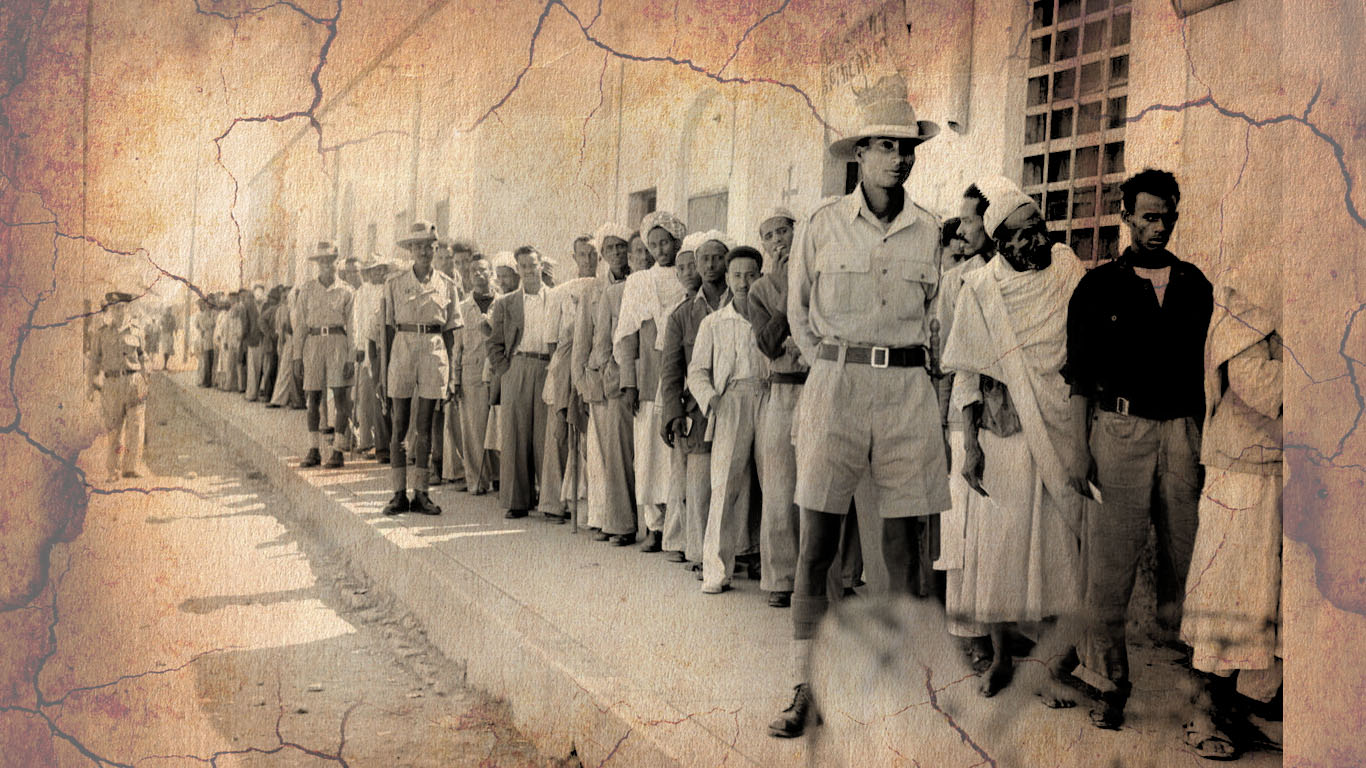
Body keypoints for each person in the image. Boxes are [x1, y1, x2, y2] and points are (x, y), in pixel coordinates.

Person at [773, 74, 948, 738]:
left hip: (906, 392)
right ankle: (802, 687)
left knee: (901, 551)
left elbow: (935, 318)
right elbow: (799, 316)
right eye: (883, 145)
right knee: (818, 542)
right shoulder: (821, 226)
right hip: (838, 385)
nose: (898, 158)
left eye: (906, 147)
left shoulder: (928, 231)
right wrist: (839, 366)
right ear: (858, 154)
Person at [1063, 168, 1213, 730]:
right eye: (1148, 216)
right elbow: (1079, 377)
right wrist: (1079, 451)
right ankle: (1108, 682)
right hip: (1118, 431)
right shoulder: (1097, 286)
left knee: (1190, 558)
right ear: (1126, 217)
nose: (1158, 227)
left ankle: (1200, 692)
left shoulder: (1196, 285)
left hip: (1181, 433)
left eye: (1167, 216)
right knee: (1109, 565)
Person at [941, 178, 1087, 697]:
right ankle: (1001, 658)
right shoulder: (980, 288)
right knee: (1000, 549)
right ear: (999, 240)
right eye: (1021, 236)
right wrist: (971, 444)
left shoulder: (1067, 271)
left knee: (1057, 546)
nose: (1035, 243)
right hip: (1001, 431)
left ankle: (1056, 660)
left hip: (1057, 426)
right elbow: (966, 373)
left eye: (1039, 231)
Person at [1178, 270, 1282, 760]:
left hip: (1294, 466)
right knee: (1230, 586)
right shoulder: (1250, 293)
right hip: (1242, 467)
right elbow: (1255, 383)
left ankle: (1252, 708)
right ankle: (1206, 710)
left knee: (1276, 596)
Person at [747, 206, 865, 609]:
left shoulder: (823, 276)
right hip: (783, 391)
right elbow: (767, 343)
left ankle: (842, 575)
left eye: (784, 231)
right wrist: (786, 294)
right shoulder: (758, 290)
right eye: (770, 235)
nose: (778, 240)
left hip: (823, 386)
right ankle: (781, 578)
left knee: (831, 485)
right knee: (780, 487)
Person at [934, 184, 999, 670]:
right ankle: (969, 633)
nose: (962, 230)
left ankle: (1000, 627)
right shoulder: (958, 281)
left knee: (997, 525)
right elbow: (948, 362)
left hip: (1011, 418)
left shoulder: (1012, 276)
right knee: (963, 523)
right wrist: (946, 422)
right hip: (964, 413)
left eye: (971, 221)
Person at [687, 245, 768, 594]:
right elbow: (697, 371)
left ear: (759, 277)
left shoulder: (772, 316)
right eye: (736, 275)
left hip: (768, 397)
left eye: (750, 275)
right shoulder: (713, 323)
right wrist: (713, 401)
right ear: (728, 277)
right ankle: (716, 570)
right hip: (730, 401)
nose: (743, 282)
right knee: (723, 486)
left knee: (776, 485)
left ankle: (778, 573)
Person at [615, 210, 688, 552]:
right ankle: (654, 527)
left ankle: (678, 527)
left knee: (675, 450)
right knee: (647, 452)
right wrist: (629, 383)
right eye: (653, 245)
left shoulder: (689, 276)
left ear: (676, 242)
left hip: (680, 372)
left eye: (665, 243)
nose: (659, 250)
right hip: (647, 375)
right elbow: (627, 336)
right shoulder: (638, 282)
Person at [381, 221, 463, 515]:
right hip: (402, 348)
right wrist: (383, 373)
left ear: (435, 249)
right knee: (399, 425)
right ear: (410, 250)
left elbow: (452, 331)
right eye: (418, 246)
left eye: (429, 246)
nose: (424, 251)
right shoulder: (394, 283)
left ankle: (422, 494)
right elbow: (387, 330)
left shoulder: (447, 284)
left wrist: (452, 374)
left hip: (434, 348)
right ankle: (398, 494)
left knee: (425, 426)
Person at [661, 233, 729, 570]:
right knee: (698, 486)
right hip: (698, 410)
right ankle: (701, 554)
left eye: (719, 258)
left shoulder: (741, 302)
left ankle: (736, 551)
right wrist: (673, 414)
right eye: (705, 259)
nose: (712, 265)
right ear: (697, 265)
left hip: (736, 404)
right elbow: (671, 372)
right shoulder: (682, 315)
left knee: (736, 482)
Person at [488, 246, 556, 519]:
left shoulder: (555, 297)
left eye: (533, 264)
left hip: (546, 366)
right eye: (523, 266)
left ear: (541, 265)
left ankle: (550, 500)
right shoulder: (506, 302)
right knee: (515, 433)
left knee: (545, 435)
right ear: (518, 269)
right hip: (517, 366)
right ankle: (517, 500)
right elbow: (493, 343)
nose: (529, 269)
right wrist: (506, 371)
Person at [538, 235, 599, 522]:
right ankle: (552, 500)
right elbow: (551, 338)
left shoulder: (603, 287)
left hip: (591, 361)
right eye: (582, 255)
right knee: (558, 428)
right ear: (573, 257)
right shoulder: (560, 292)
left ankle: (585, 501)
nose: (587, 260)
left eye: (592, 254)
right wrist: (561, 368)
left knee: (587, 431)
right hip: (564, 360)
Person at [581, 225, 636, 543]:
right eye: (611, 248)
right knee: (611, 457)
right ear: (602, 255)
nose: (617, 253)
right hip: (610, 381)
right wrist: (599, 376)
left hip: (641, 376)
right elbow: (592, 341)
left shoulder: (640, 280)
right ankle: (617, 522)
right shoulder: (596, 290)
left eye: (622, 247)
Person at [292, 241, 356, 469]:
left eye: (330, 260)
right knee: (313, 398)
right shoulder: (307, 289)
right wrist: (297, 356)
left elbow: (352, 326)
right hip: (313, 342)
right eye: (322, 261)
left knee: (341, 397)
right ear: (317, 264)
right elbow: (299, 324)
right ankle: (313, 449)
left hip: (338, 341)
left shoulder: (347, 290)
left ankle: (337, 450)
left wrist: (350, 357)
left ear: (337, 262)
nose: (326, 265)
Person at [88, 291, 149, 482]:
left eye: (122, 308)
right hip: (112, 384)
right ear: (110, 311)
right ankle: (113, 470)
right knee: (114, 429)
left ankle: (131, 467)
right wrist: (90, 385)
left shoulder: (137, 331)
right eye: (115, 309)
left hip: (134, 382)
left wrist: (146, 377)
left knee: (136, 427)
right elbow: (94, 361)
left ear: (128, 309)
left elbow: (143, 356)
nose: (119, 312)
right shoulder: (101, 334)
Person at [453, 253, 498, 494]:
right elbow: (456, 348)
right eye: (474, 272)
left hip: (498, 370)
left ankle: (501, 477)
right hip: (471, 373)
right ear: (468, 277)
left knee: (500, 426)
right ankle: (477, 480)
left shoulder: (502, 303)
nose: (479, 275)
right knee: (473, 429)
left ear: (492, 274)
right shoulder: (462, 308)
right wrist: (455, 379)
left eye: (483, 270)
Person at [353, 256, 391, 460]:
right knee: (365, 396)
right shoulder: (362, 292)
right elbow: (357, 321)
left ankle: (382, 442)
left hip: (384, 347)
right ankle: (365, 440)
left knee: (382, 397)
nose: (379, 273)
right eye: (375, 270)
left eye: (381, 269)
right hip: (366, 347)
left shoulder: (389, 289)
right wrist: (358, 347)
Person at [195, 297, 216, 387]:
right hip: (204, 339)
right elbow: (198, 325)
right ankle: (203, 380)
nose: (208, 306)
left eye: (210, 305)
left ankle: (208, 381)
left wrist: (204, 327)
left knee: (209, 361)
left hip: (211, 339)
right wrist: (201, 330)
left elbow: (212, 323)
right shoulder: (201, 315)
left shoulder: (213, 314)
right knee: (204, 361)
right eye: (208, 304)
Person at [159, 305, 177, 370]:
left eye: (169, 310)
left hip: (170, 334)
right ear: (166, 311)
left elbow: (175, 325)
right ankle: (164, 364)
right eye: (167, 310)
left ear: (171, 311)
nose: (168, 311)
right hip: (164, 334)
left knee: (169, 349)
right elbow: (160, 325)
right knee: (165, 349)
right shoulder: (163, 317)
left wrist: (175, 332)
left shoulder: (173, 317)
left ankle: (165, 364)